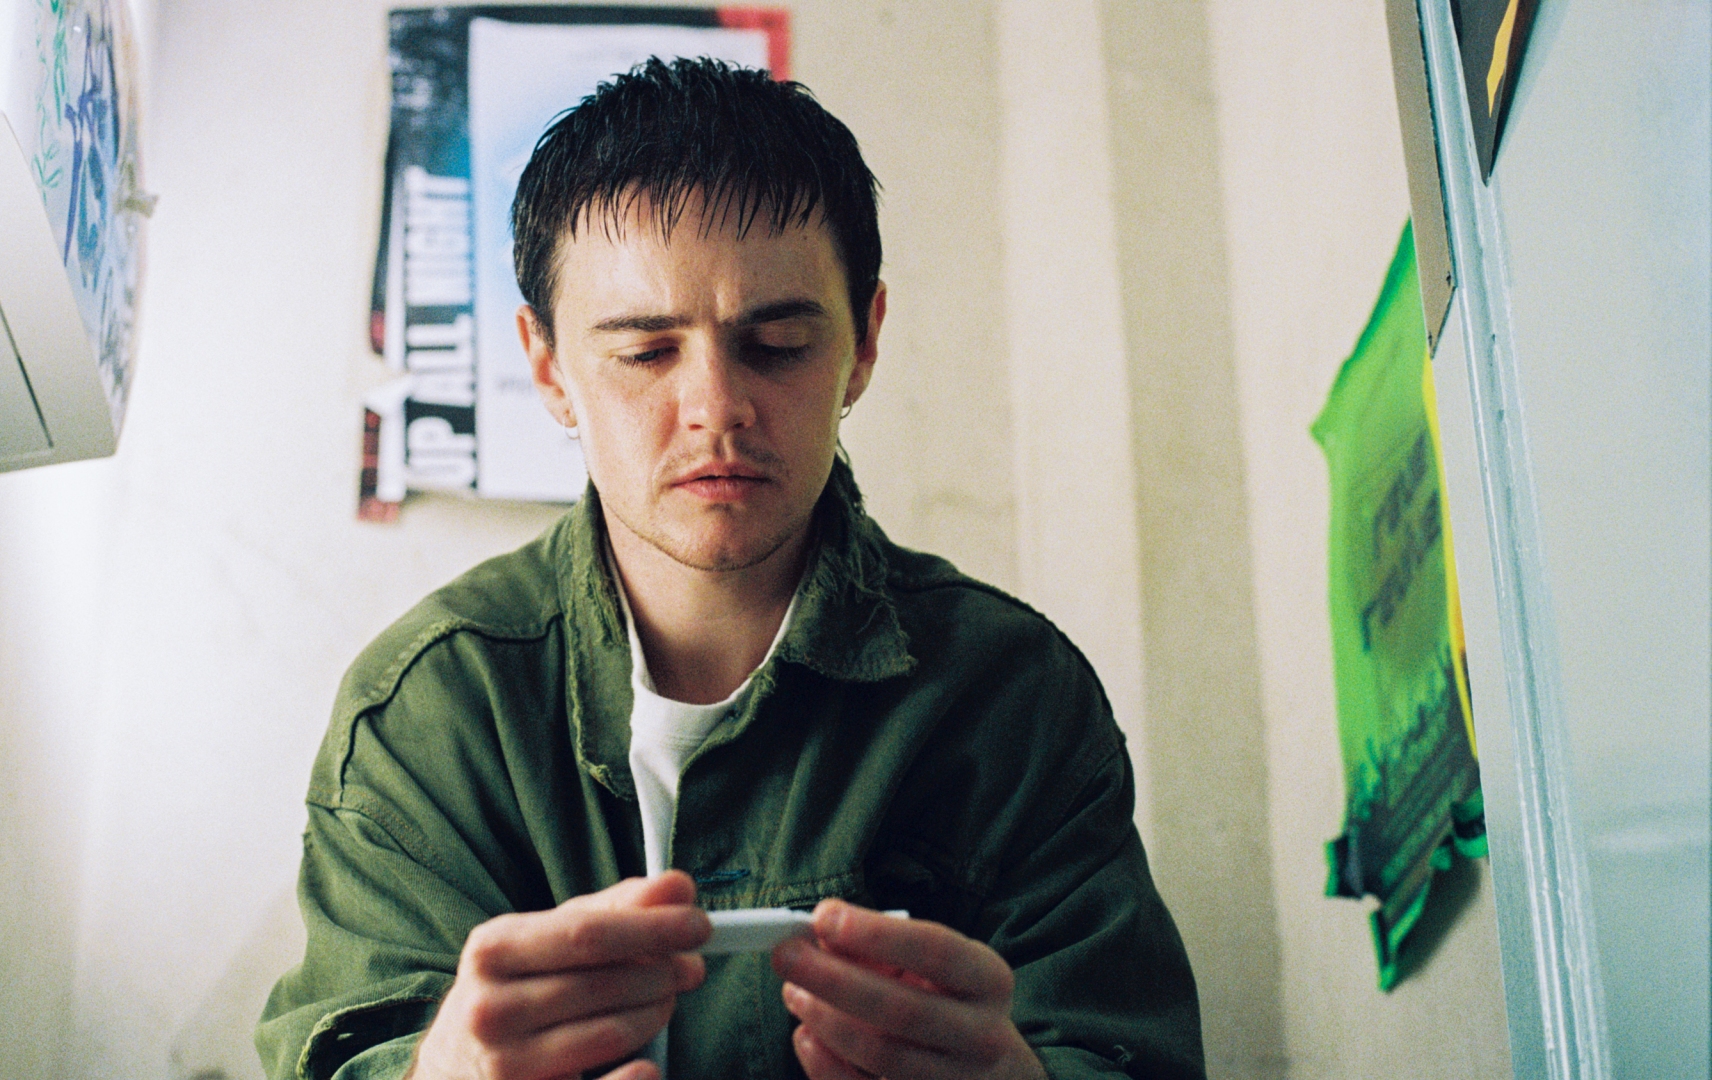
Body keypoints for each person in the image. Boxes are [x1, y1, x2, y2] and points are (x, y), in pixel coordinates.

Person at [258, 58, 1204, 1080]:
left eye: (779, 343)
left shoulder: (1011, 695)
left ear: (864, 343)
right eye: (645, 354)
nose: (716, 408)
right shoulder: (427, 710)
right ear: (549, 369)